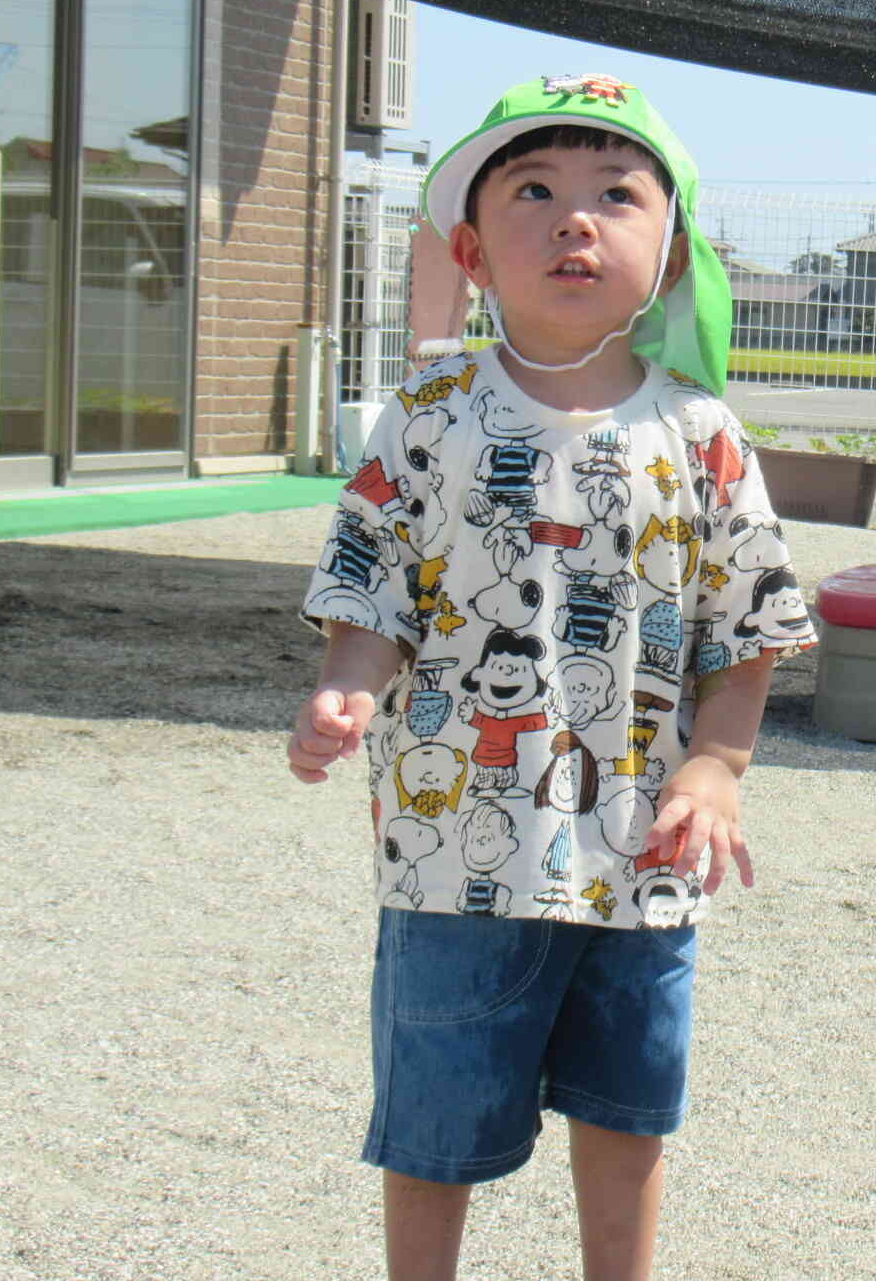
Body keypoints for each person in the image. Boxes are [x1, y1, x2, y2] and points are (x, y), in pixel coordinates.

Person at [286, 70, 815, 1281]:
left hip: (642, 851)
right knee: (433, 1124)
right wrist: (347, 686)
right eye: (536, 190)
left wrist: (719, 767)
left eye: (616, 195)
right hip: (449, 846)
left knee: (626, 1117)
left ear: (672, 259)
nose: (577, 220)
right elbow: (373, 590)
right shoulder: (426, 414)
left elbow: (749, 628)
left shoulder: (703, 436)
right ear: (471, 250)